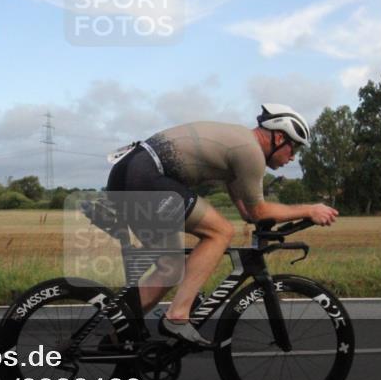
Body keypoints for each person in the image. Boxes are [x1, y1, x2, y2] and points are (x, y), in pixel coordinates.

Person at [105, 104, 339, 345]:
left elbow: (249, 212)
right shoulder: (250, 152)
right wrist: (310, 209)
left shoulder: (239, 144)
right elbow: (260, 210)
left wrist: (267, 222)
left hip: (127, 172)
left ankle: (118, 334)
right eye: (294, 149)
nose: (292, 158)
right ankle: (177, 317)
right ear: (279, 137)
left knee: (170, 267)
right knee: (220, 232)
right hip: (145, 176)